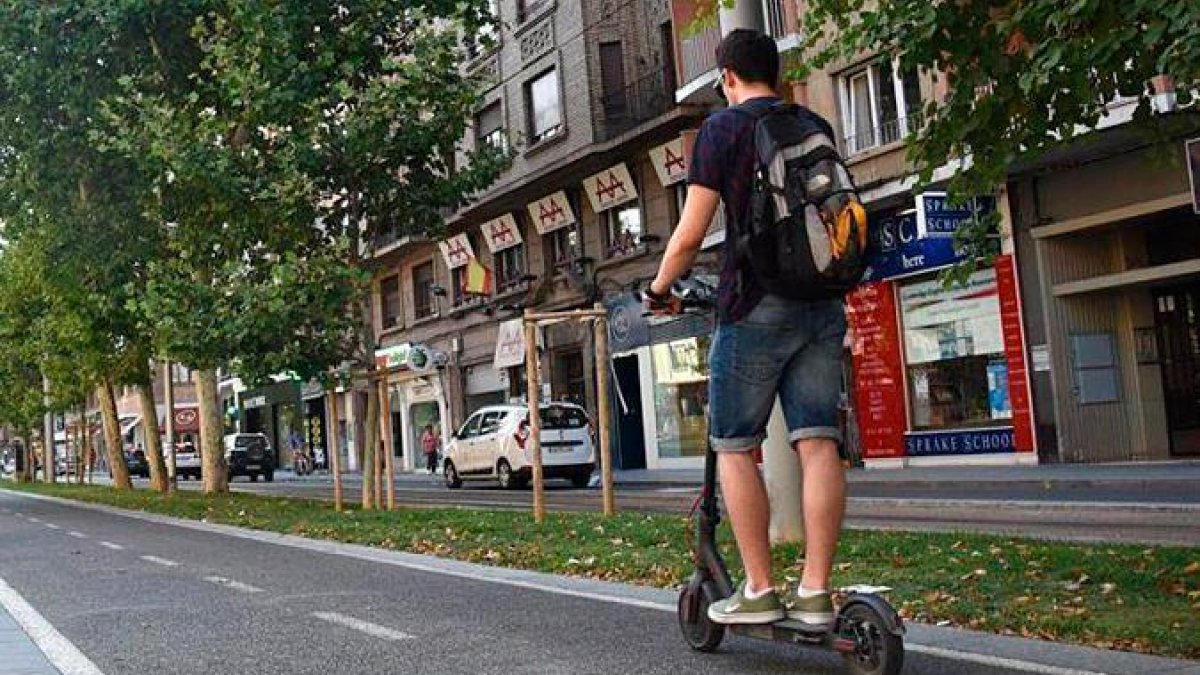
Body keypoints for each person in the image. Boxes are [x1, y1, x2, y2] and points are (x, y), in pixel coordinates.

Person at [645, 29, 847, 628]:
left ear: (726, 77)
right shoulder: (811, 121)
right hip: (821, 298)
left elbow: (688, 234)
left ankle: (758, 588)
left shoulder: (723, 130)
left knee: (734, 445)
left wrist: (657, 289)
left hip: (754, 302)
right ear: (776, 72)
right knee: (817, 442)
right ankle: (815, 590)